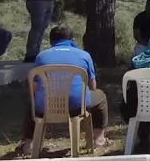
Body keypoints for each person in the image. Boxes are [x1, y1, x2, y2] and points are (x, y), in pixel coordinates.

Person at [16, 25, 108, 154]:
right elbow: (93, 86)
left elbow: (34, 87)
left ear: (51, 40)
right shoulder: (84, 55)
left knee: (31, 101)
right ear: (72, 39)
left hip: (46, 106)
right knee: (101, 96)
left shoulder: (41, 57)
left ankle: (29, 144)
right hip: (77, 105)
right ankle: (99, 139)